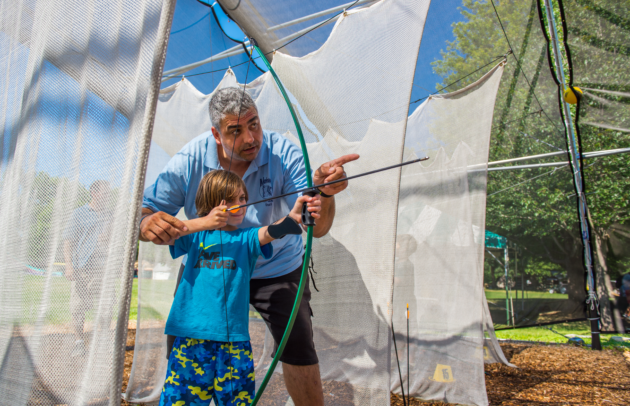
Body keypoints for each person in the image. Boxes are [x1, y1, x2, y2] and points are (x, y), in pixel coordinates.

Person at [141, 87, 358, 406]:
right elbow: (146, 211)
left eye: (254, 123)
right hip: (208, 266)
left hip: (276, 269)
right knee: (185, 346)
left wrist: (324, 193)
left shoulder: (284, 153)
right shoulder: (189, 160)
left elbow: (317, 227)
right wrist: (148, 223)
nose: (250, 138)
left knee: (297, 345)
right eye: (236, 130)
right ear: (216, 134)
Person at [159, 170, 321, 406]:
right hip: (191, 339)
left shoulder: (245, 238)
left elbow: (270, 231)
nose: (242, 205)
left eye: (243, 198)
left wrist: (294, 216)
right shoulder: (195, 235)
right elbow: (167, 234)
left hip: (233, 343)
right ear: (213, 203)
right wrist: (205, 221)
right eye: (231, 200)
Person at [63, 180, 113, 357]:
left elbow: (115, 240)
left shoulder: (110, 215)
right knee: (77, 307)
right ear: (94, 192)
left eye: (108, 193)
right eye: (104, 192)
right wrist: (69, 265)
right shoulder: (79, 213)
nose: (107, 196)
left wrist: (107, 239)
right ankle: (78, 342)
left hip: (103, 268)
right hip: (82, 268)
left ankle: (103, 342)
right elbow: (68, 241)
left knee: (106, 307)